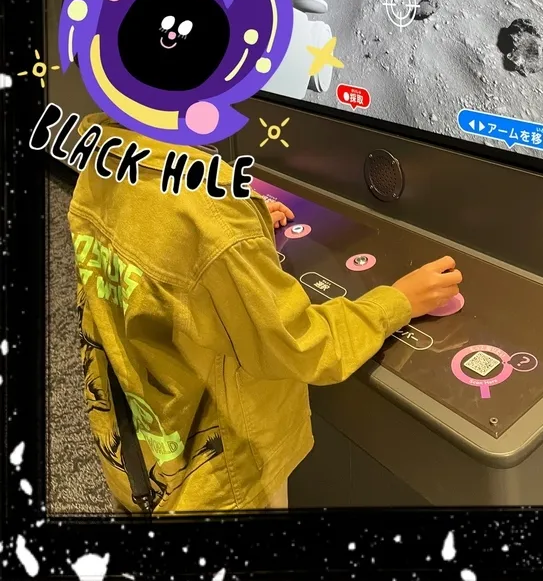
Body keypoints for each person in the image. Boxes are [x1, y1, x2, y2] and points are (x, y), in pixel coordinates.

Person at [68, 114, 462, 514]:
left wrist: (243, 225)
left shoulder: (106, 156)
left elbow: (165, 249)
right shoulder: (209, 212)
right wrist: (398, 302)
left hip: (136, 451)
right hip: (221, 484)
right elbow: (302, 346)